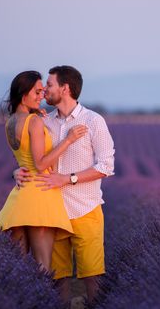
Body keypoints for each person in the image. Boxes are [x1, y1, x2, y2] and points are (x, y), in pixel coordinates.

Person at [14, 65, 115, 305]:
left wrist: (67, 179)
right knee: (57, 278)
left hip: (86, 209)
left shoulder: (93, 121)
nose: (44, 91)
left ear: (65, 88)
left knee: (92, 276)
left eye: (49, 85)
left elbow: (106, 167)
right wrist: (16, 171)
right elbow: (34, 159)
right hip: (53, 211)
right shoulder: (44, 122)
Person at [0, 70, 88, 275]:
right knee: (43, 269)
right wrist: (69, 140)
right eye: (37, 92)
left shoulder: (10, 122)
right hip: (41, 195)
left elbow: (24, 158)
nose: (41, 96)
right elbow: (40, 164)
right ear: (23, 93)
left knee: (16, 271)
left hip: (20, 198)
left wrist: (15, 171)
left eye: (43, 91)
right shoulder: (34, 122)